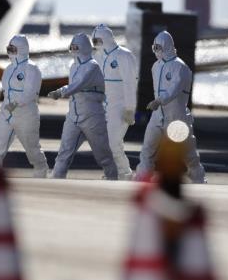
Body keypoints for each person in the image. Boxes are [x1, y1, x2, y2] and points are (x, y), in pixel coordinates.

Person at [136, 30, 206, 183]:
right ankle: (142, 177)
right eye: (154, 47)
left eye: (158, 47)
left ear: (167, 47)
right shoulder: (155, 67)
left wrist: (159, 101)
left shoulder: (180, 67)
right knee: (148, 148)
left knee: (188, 154)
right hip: (158, 116)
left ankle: (198, 178)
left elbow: (174, 89)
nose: (156, 51)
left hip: (177, 117)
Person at [47, 33, 118, 180]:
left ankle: (112, 178)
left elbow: (78, 84)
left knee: (102, 154)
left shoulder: (92, 67)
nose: (73, 49)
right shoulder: (74, 66)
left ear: (84, 47)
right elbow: (74, 85)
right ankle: (57, 178)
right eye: (71, 47)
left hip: (92, 116)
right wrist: (63, 91)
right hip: (73, 115)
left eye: (76, 47)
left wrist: (61, 92)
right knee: (64, 151)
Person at [0, 35, 49, 178]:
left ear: (21, 49)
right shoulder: (8, 69)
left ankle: (41, 169)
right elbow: (5, 92)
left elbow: (30, 94)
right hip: (6, 114)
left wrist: (14, 105)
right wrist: (5, 109)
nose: (9, 51)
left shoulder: (32, 69)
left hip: (26, 116)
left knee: (32, 149)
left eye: (12, 48)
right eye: (8, 48)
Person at [92, 24, 138, 180]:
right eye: (94, 41)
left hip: (121, 106)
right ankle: (120, 173)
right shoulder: (100, 57)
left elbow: (130, 83)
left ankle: (124, 172)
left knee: (113, 142)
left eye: (98, 40)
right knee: (110, 143)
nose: (95, 44)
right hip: (107, 106)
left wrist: (130, 108)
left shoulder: (124, 56)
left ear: (106, 39)